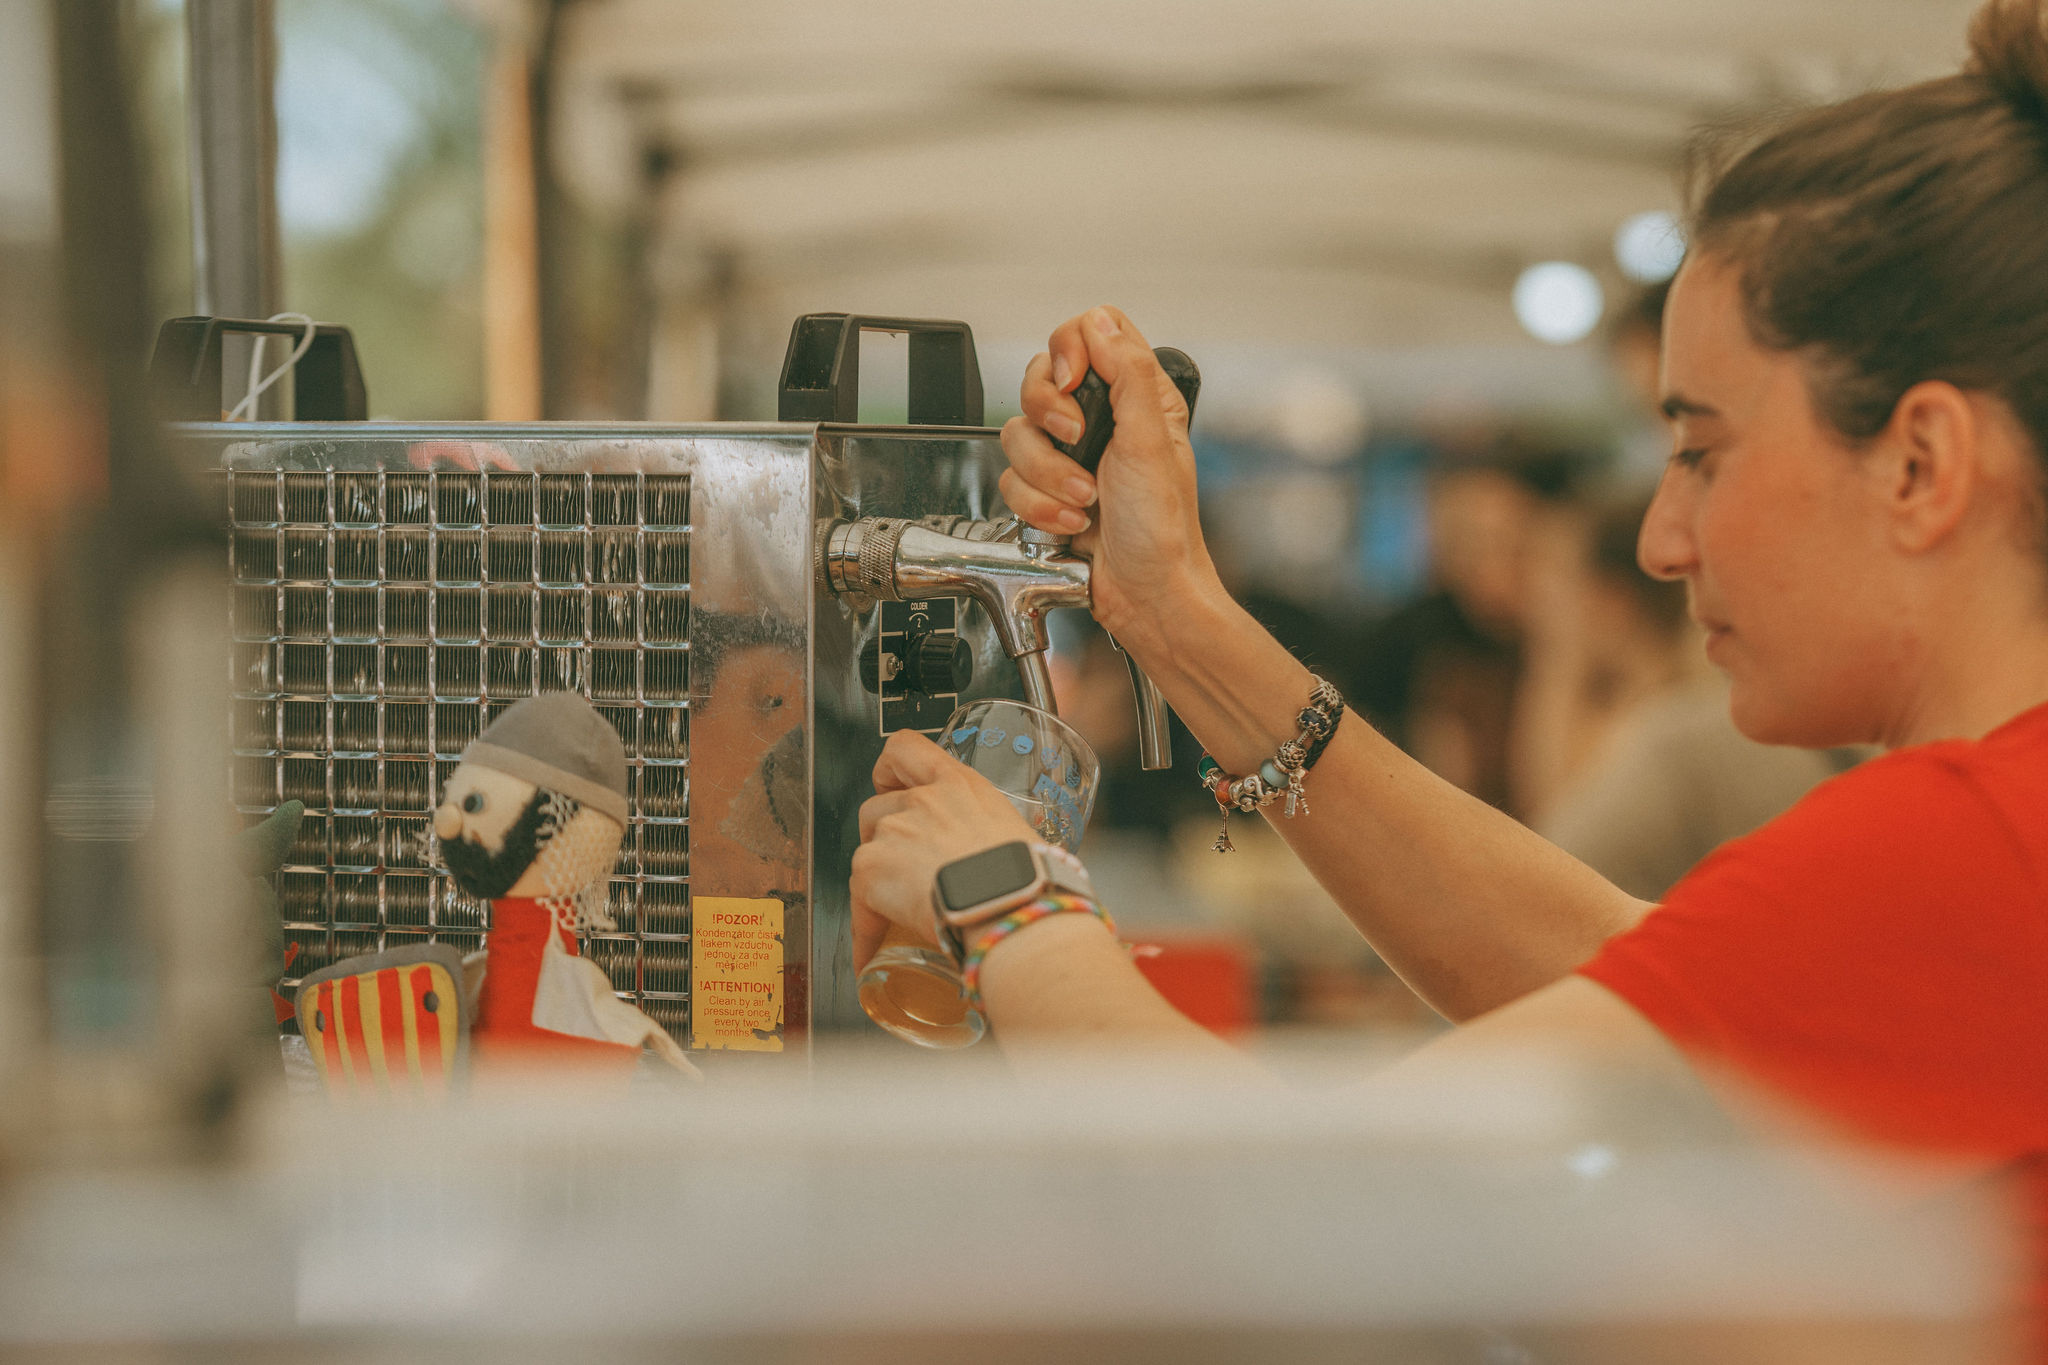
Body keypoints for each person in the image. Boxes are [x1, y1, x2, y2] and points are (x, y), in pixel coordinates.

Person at [850, 0, 2048, 1332]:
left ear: (1923, 463)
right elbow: (1628, 970)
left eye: (1704, 453)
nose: (1661, 540)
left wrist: (1005, 904)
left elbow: (1334, 1223)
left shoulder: (1969, 838)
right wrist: (1172, 614)